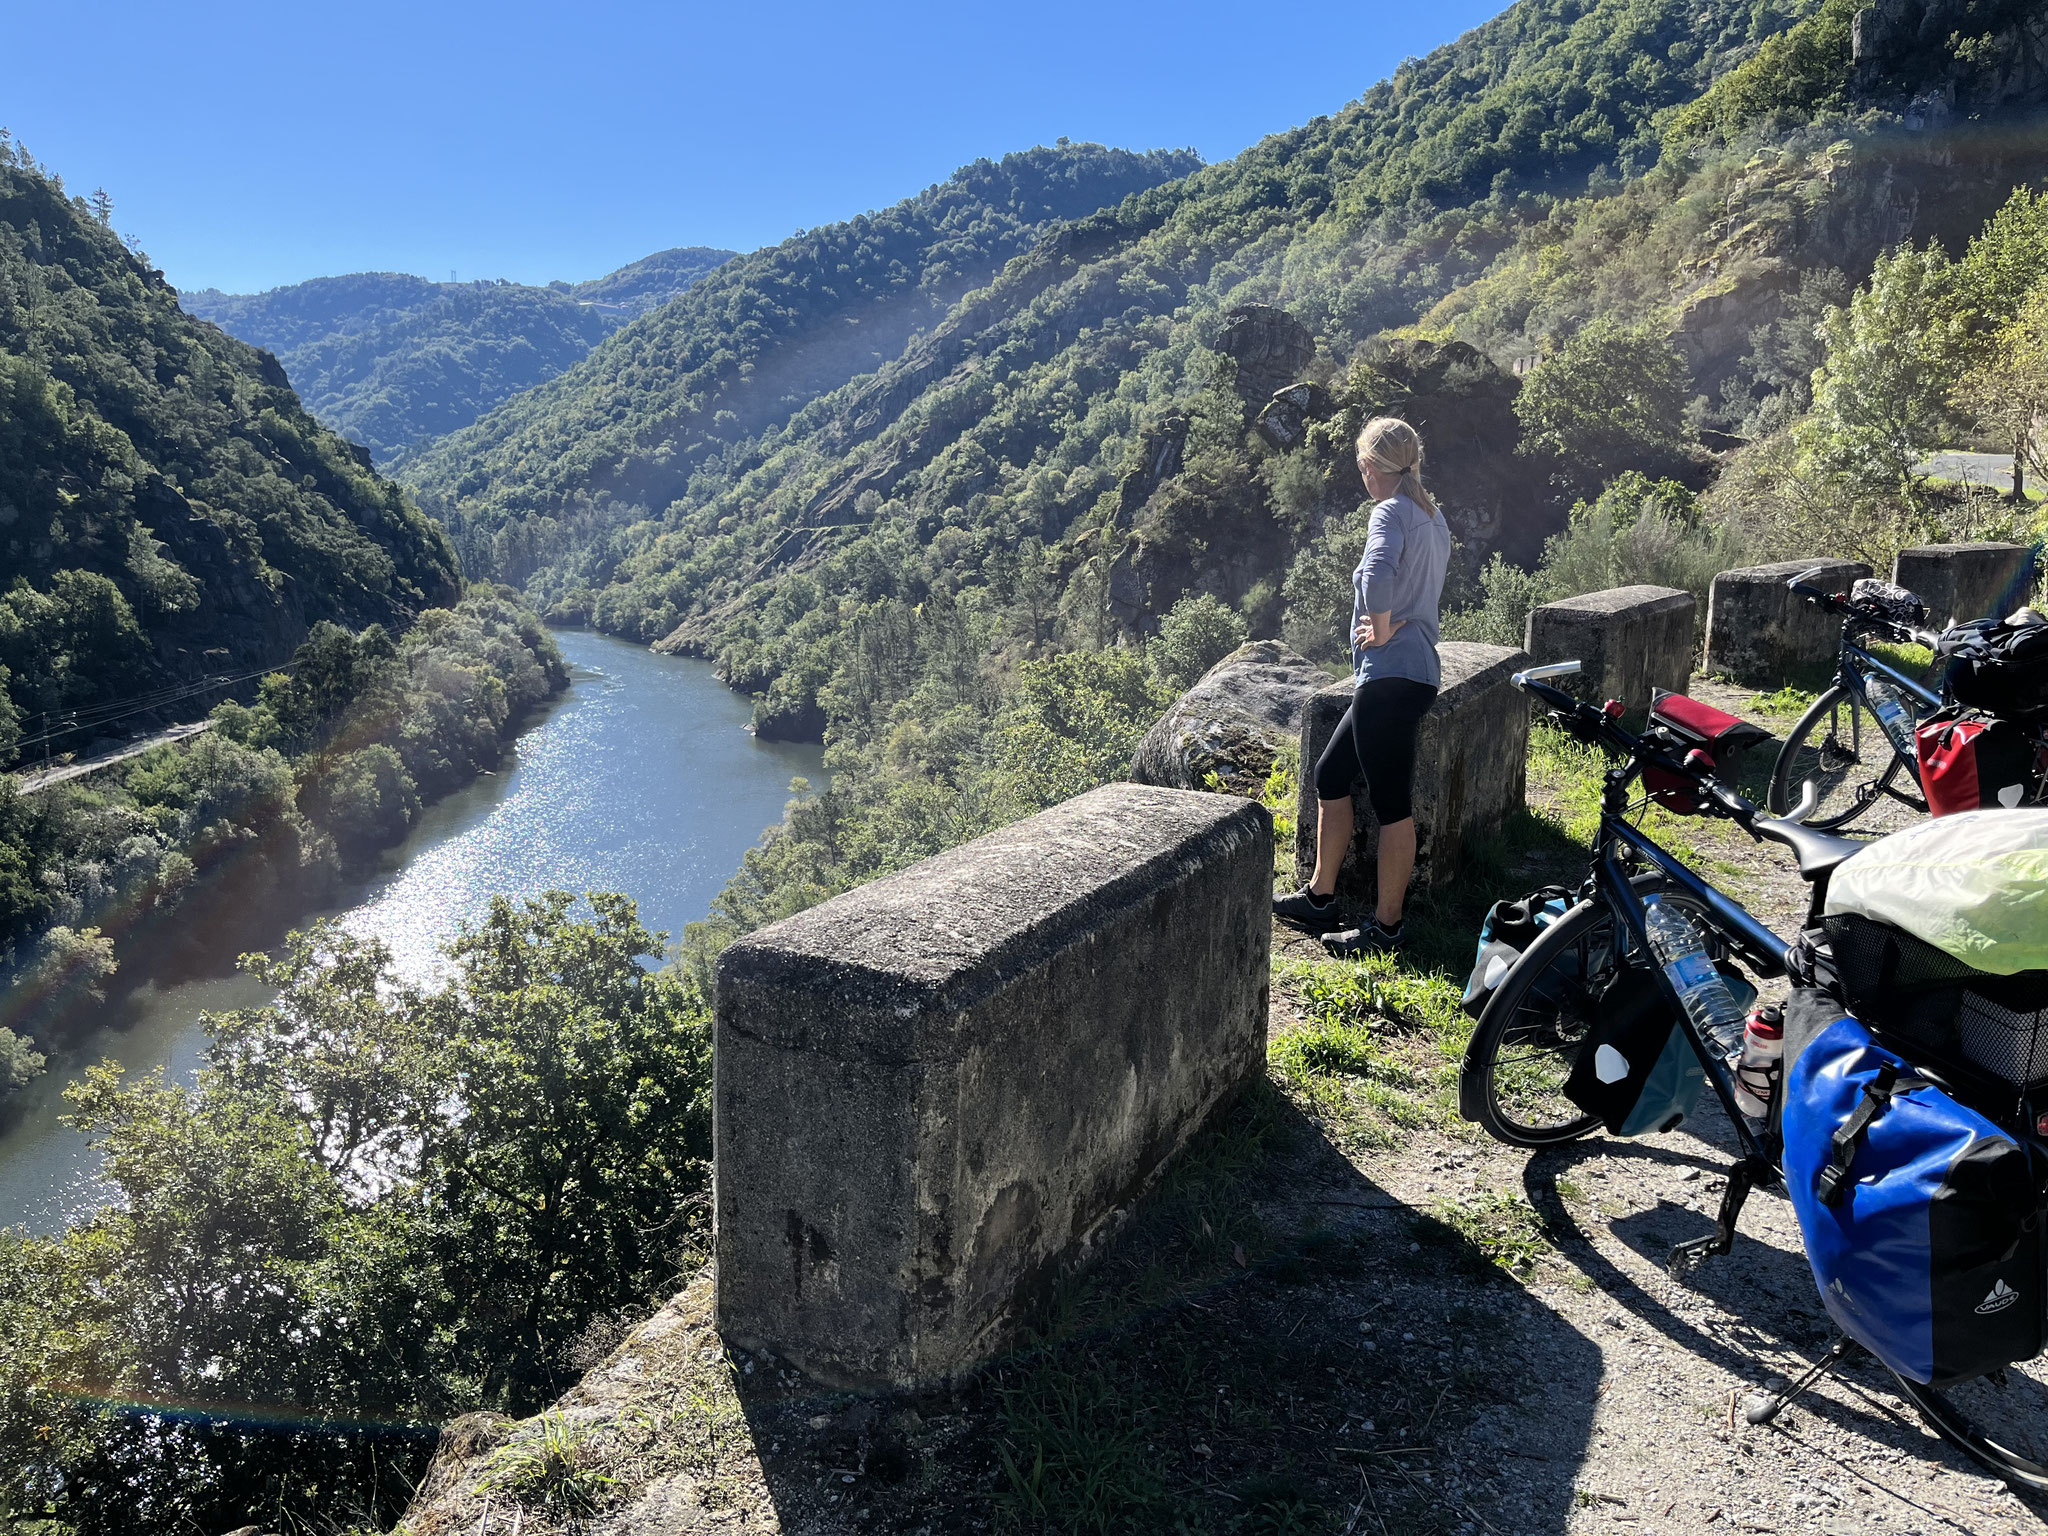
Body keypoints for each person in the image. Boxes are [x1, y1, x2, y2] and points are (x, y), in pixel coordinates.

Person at [1273, 416, 1452, 956]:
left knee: (1392, 805)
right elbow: (1419, 591)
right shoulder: (1430, 514)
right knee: (1331, 774)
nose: (1362, 475)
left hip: (1393, 676)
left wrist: (1378, 626)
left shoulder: (1390, 510)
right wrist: (1394, 622)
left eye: (1362, 465)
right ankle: (1321, 895)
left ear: (1374, 467)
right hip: (1407, 672)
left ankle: (1386, 929)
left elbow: (1376, 575)